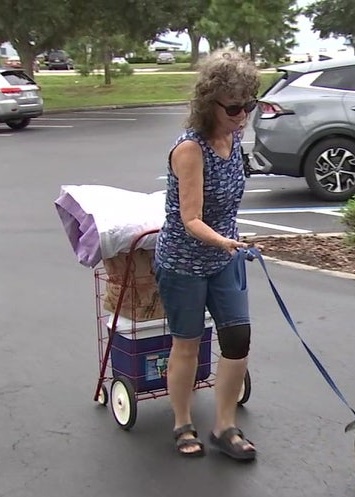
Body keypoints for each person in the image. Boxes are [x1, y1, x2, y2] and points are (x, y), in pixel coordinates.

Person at [154, 50, 261, 461]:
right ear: (208, 104)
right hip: (184, 261)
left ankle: (224, 425)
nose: (242, 115)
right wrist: (225, 242)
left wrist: (231, 243)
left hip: (223, 257)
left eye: (248, 105)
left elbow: (226, 206)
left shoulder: (233, 139)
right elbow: (192, 218)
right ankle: (182, 422)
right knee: (188, 344)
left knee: (238, 339)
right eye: (234, 107)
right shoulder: (189, 150)